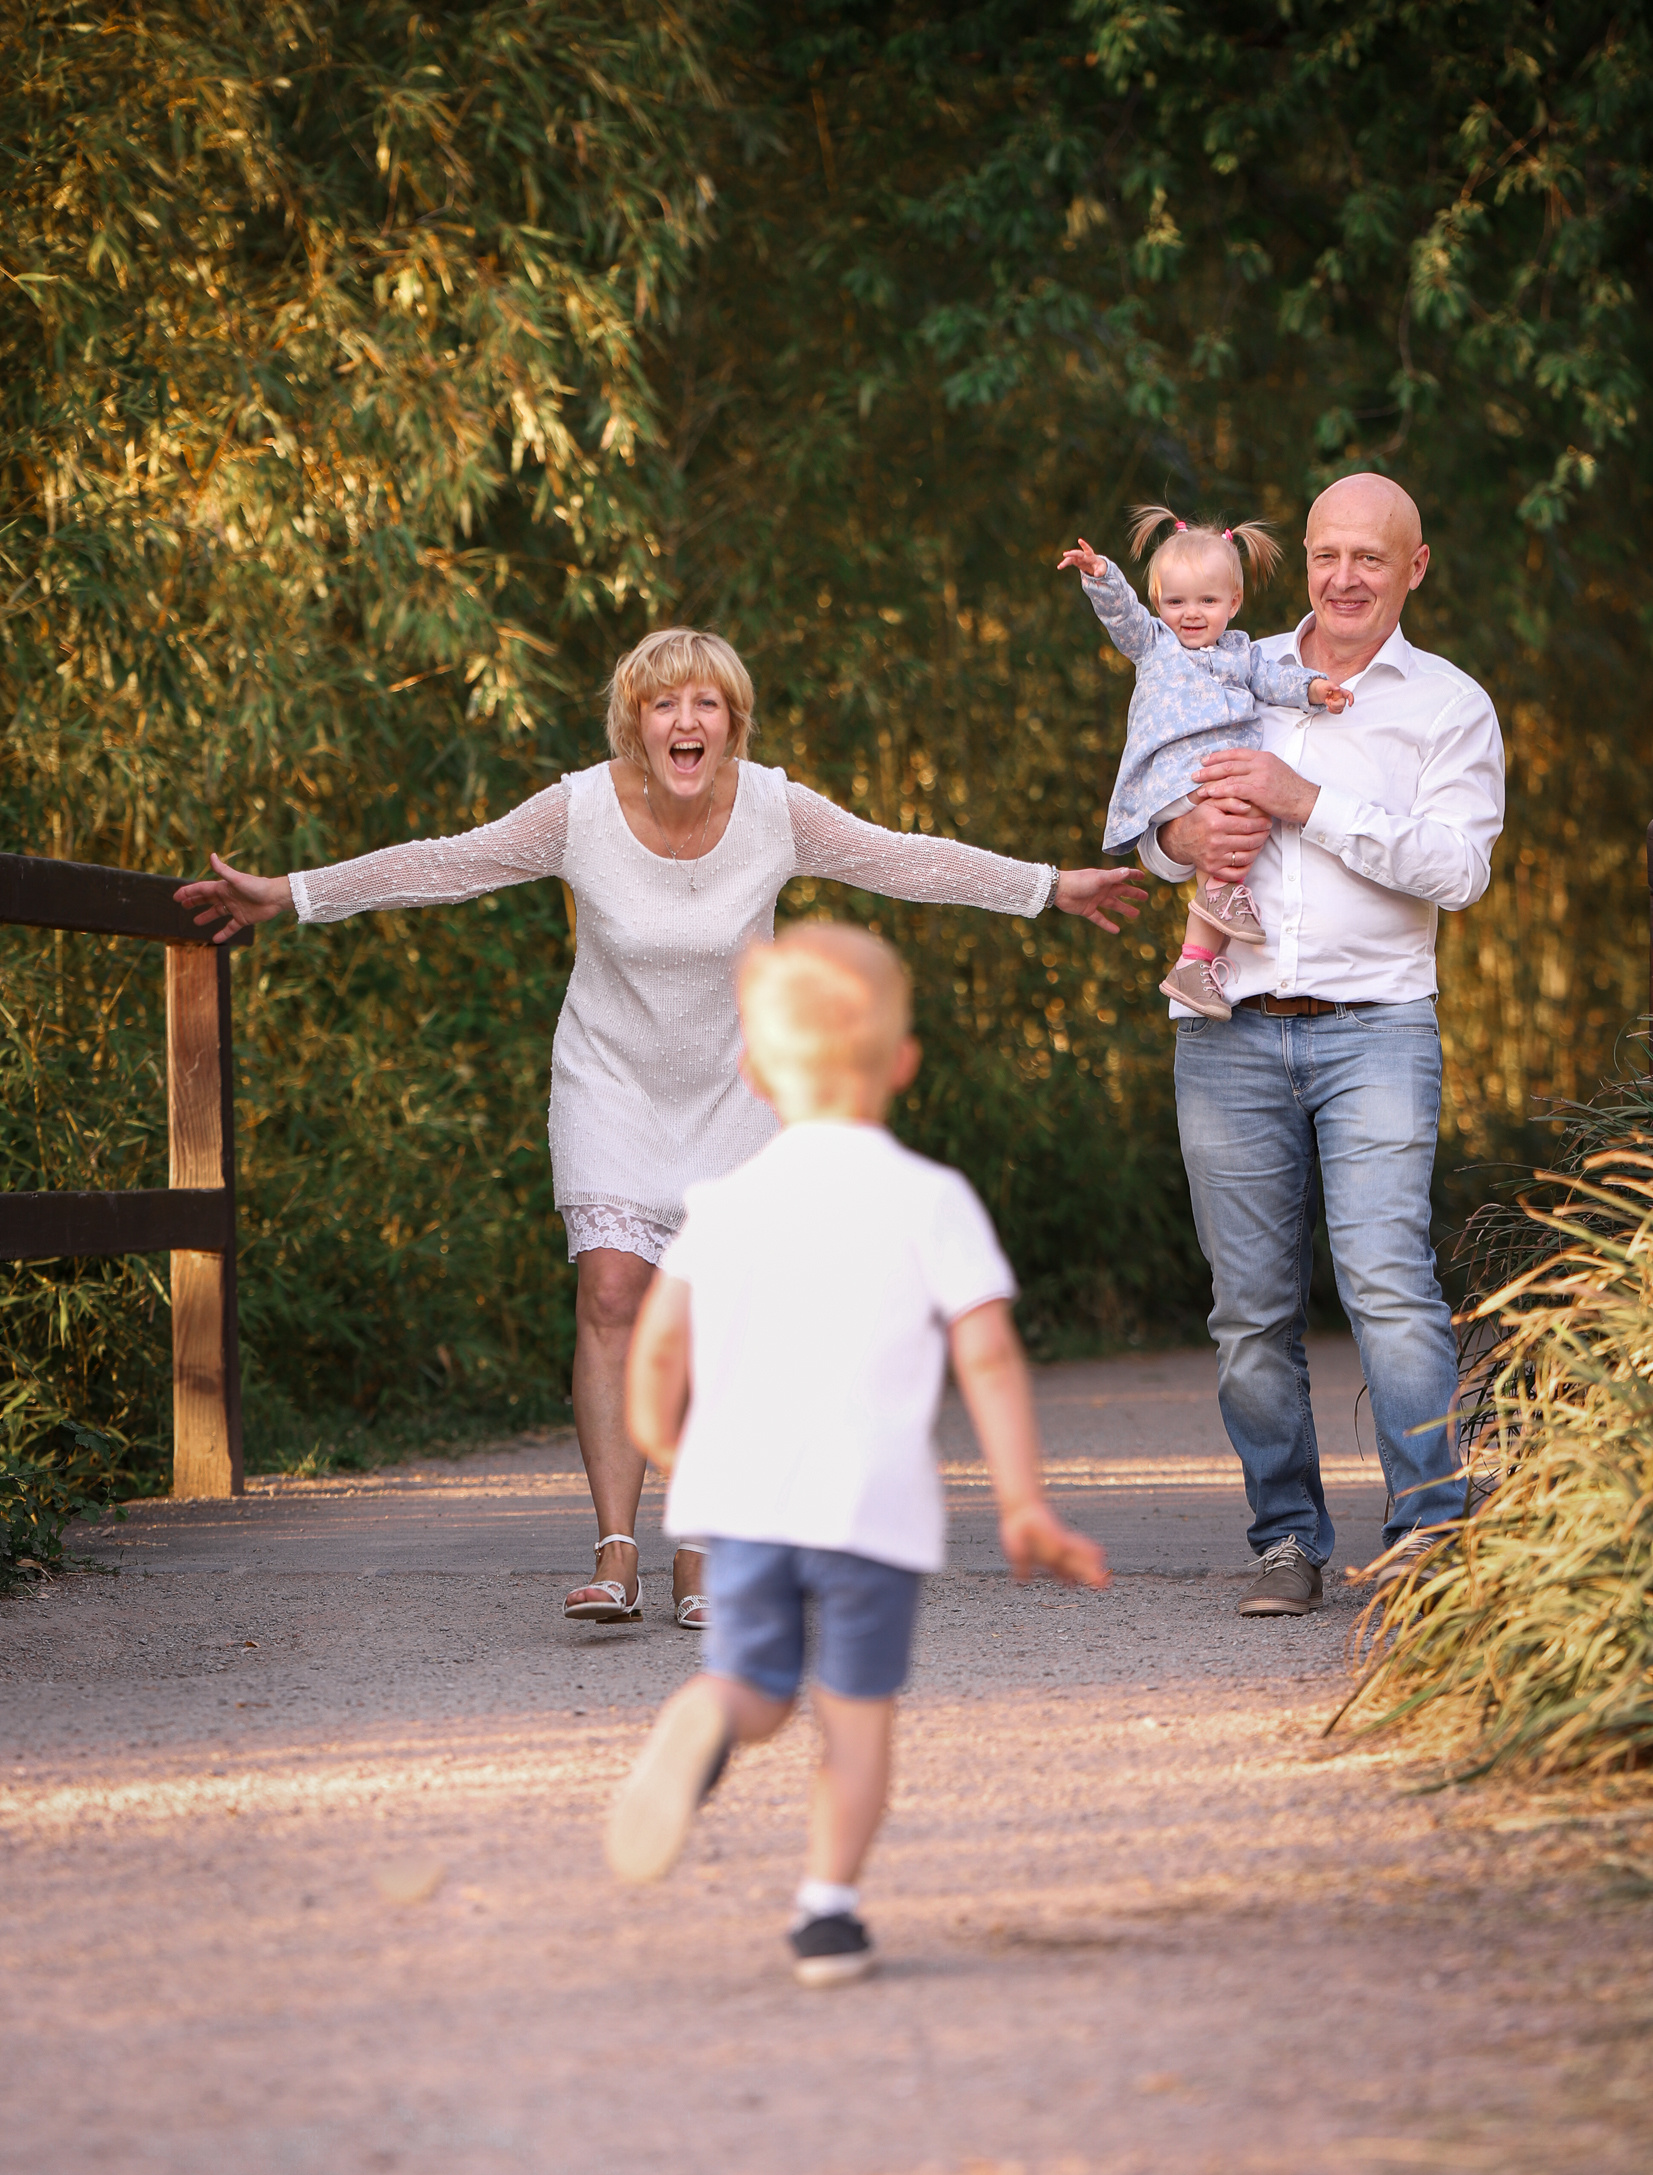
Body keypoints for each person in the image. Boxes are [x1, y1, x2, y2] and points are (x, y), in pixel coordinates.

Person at [176, 628, 1145, 1628]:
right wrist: (289, 896)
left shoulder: (775, 808)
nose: (687, 721)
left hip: (737, 1091)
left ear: (732, 724)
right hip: (610, 1077)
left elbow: (904, 859)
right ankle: (616, 1547)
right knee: (611, 1288)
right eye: (665, 704)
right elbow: (448, 862)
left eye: (707, 704)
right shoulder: (578, 810)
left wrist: (1050, 885)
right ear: (636, 724)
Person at [607, 924, 1109, 1985]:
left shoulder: (724, 1204)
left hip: (741, 1499)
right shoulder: (931, 1198)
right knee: (856, 1711)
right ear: (905, 1062)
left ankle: (707, 1713)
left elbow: (653, 1355)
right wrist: (1023, 1501)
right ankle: (827, 1910)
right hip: (869, 1504)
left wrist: (677, 1451)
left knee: (758, 1689)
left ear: (751, 1072)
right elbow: (990, 1357)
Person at [1128, 472, 1504, 1617]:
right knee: (1247, 1311)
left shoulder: (1448, 706)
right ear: (1303, 556)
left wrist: (1308, 798)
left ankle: (1431, 1533)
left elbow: (1459, 869)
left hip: (1376, 1032)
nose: (1344, 579)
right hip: (1226, 1030)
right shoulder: (1220, 661)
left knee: (1388, 1286)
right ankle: (1287, 1539)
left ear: (1416, 568)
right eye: (1327, 554)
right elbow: (1152, 813)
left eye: (1371, 560)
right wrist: (1176, 831)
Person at [1058, 505, 1351, 1020]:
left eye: (1208, 601)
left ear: (1234, 602)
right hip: (1176, 775)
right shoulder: (1156, 645)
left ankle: (1194, 963)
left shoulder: (1243, 653)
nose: (1191, 614)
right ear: (1158, 602)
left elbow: (1276, 680)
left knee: (1244, 822)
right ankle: (1218, 903)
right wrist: (1103, 577)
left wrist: (1315, 688)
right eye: (1176, 601)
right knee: (1244, 806)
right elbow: (1124, 618)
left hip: (1221, 775)